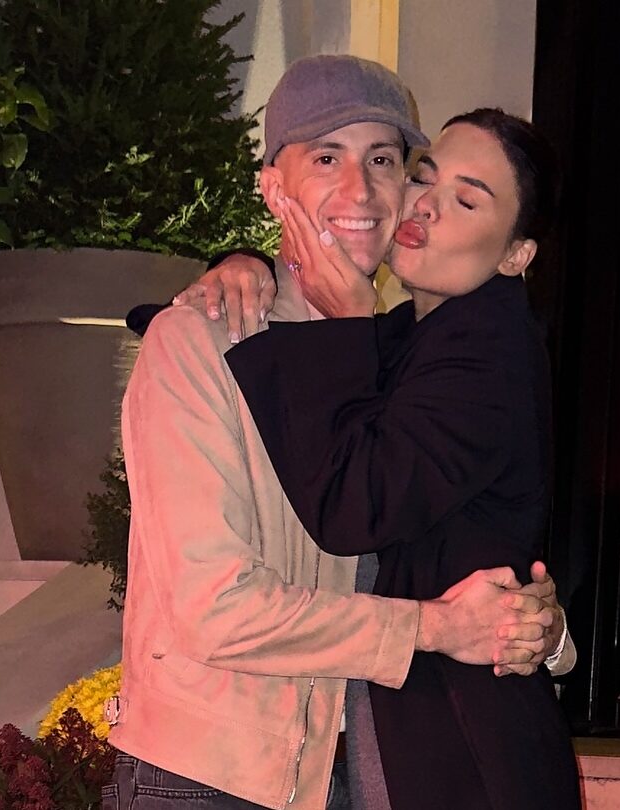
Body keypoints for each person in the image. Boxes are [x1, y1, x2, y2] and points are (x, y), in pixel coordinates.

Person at [108, 56, 572, 810]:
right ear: (273, 187)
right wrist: (436, 628)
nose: (361, 190)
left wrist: (537, 625)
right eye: (327, 158)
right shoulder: (197, 343)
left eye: (384, 161)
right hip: (210, 775)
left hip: (347, 765)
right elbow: (213, 609)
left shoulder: (401, 349)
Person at [225, 108, 580, 810]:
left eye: (467, 201)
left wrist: (345, 323)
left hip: (465, 744)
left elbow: (354, 506)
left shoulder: (487, 352)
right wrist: (243, 269)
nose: (426, 206)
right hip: (427, 726)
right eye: (425, 178)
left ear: (516, 255)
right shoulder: (420, 334)